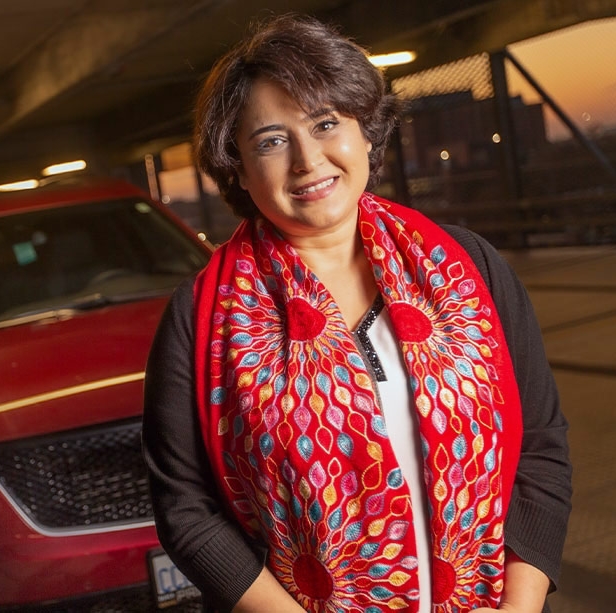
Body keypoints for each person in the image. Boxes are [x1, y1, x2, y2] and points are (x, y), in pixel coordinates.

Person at [143, 15, 571, 613]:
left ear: (365, 131)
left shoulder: (469, 265)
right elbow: (187, 509)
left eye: (325, 123)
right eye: (270, 140)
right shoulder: (200, 317)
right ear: (236, 166)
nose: (307, 159)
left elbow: (542, 446)